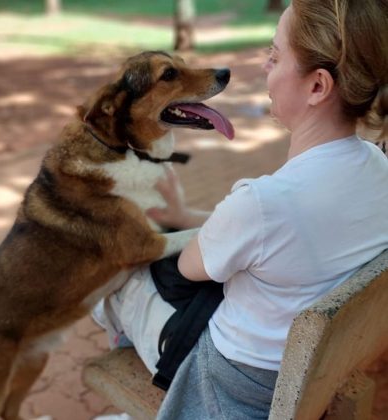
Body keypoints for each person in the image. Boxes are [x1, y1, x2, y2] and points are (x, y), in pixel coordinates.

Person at [94, 0, 388, 418]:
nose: (265, 67)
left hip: (233, 379)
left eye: (274, 55)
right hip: (316, 364)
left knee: (113, 271)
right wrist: (186, 216)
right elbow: (260, 237)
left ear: (317, 86)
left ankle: (133, 357)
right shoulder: (380, 167)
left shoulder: (264, 201)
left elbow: (191, 268)